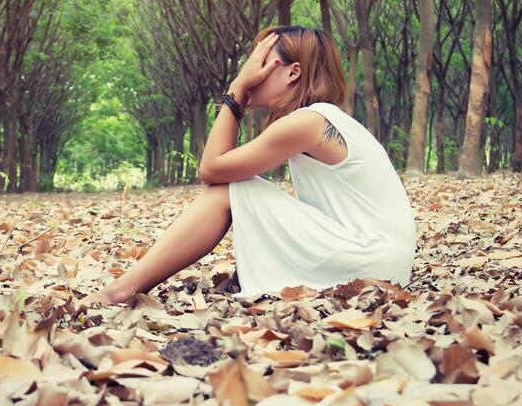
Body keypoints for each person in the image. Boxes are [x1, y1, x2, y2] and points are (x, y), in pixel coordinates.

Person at [94, 25, 416, 305]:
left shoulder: (308, 122)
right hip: (381, 261)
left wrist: (237, 88)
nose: (253, 69)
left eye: (260, 61)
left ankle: (122, 290)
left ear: (293, 72)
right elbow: (218, 165)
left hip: (371, 264)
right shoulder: (320, 119)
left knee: (230, 189)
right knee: (235, 185)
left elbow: (212, 169)